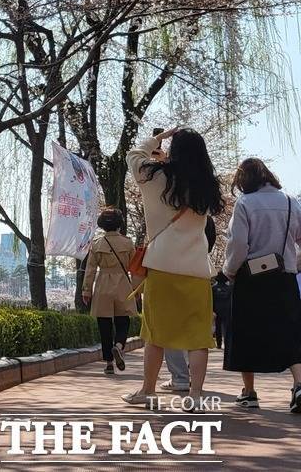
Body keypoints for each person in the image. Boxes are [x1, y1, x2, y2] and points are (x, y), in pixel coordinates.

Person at [124, 127, 225, 411]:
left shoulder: (155, 176)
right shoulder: (206, 185)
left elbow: (133, 155)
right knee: (197, 336)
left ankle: (147, 390)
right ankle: (195, 394)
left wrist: (157, 139)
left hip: (161, 266)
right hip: (196, 269)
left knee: (155, 333)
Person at [223, 158, 301, 414]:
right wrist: (298, 261)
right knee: (289, 330)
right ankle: (300, 384)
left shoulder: (245, 203)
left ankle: (249, 392)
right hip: (284, 277)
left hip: (251, 279)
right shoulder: (288, 201)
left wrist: (229, 271)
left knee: (245, 332)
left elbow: (239, 244)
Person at [161, 217, 218, 393]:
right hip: (200, 271)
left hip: (173, 271)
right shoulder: (205, 217)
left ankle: (180, 377)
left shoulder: (172, 215)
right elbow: (211, 241)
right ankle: (196, 388)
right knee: (197, 331)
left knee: (171, 328)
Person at [82, 209, 137, 375]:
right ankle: (119, 346)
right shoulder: (128, 243)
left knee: (104, 325)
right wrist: (137, 289)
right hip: (122, 285)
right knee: (123, 321)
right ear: (119, 224)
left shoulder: (97, 244)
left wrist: (86, 290)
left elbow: (90, 269)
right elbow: (134, 268)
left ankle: (108, 363)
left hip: (103, 285)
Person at [212, 272, 232, 349]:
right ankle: (227, 343)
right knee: (226, 328)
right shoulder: (230, 288)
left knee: (218, 328)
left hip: (217, 310)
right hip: (227, 310)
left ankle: (219, 344)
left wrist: (212, 309)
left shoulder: (213, 288)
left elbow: (212, 300)